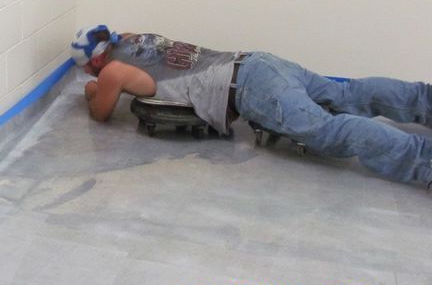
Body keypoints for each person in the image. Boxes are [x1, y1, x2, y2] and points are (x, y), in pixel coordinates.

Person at [70, 24, 432, 185]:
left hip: (250, 87)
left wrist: (92, 91)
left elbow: (101, 112)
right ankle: (425, 100)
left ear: (94, 61)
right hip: (259, 61)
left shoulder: (113, 70)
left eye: (87, 66)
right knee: (346, 95)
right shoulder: (136, 36)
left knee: (326, 131)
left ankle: (424, 161)